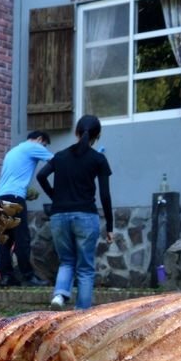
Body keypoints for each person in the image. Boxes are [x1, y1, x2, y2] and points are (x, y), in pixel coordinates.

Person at [36, 115, 113, 311]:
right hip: (86, 216)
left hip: (59, 216)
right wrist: (110, 227)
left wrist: (55, 197)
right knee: (85, 268)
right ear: (98, 135)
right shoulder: (98, 159)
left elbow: (41, 175)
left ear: (76, 132)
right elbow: (105, 195)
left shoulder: (60, 156)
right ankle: (81, 312)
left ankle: (60, 296)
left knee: (67, 261)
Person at [0, 131, 53, 287]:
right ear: (40, 139)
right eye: (44, 145)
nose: (43, 148)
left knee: (5, 238)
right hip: (14, 197)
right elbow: (56, 161)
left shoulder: (13, 151)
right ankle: (28, 276)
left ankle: (6, 277)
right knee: (22, 239)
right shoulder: (33, 146)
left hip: (0, 197)